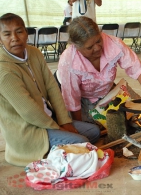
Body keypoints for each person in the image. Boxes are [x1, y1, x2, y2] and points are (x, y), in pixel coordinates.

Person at [0, 13, 100, 166]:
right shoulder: (4, 71)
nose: (14, 38)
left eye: (19, 31)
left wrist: (65, 122)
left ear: (26, 33)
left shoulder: (34, 53)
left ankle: (58, 151)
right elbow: (29, 111)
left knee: (94, 132)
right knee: (83, 143)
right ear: (0, 39)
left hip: (49, 121)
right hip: (30, 132)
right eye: (7, 34)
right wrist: (59, 128)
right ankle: (43, 153)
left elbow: (52, 87)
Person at [57, 16, 141, 126]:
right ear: (76, 46)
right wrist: (81, 127)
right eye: (90, 47)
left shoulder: (114, 44)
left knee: (137, 117)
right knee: (94, 130)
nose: (97, 48)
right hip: (83, 100)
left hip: (109, 92)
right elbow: (72, 99)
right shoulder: (69, 62)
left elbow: (137, 68)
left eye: (98, 41)